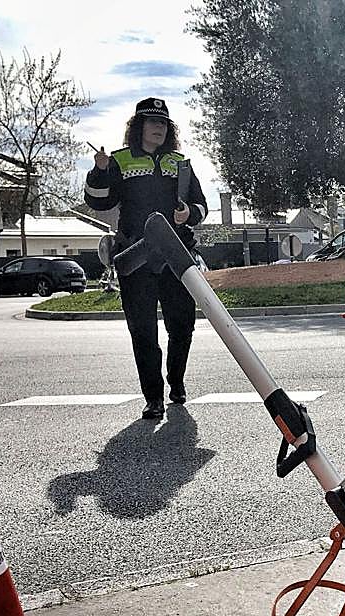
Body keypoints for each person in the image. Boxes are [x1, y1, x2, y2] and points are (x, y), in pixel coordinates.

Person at [84, 97, 208, 419]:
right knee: (142, 331)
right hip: (136, 257)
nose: (158, 127)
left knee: (182, 325)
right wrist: (99, 172)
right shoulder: (119, 160)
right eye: (152, 122)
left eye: (163, 123)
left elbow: (201, 206)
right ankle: (153, 398)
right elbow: (98, 201)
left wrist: (189, 214)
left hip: (176, 257)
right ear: (139, 126)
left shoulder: (180, 163)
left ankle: (176, 382)